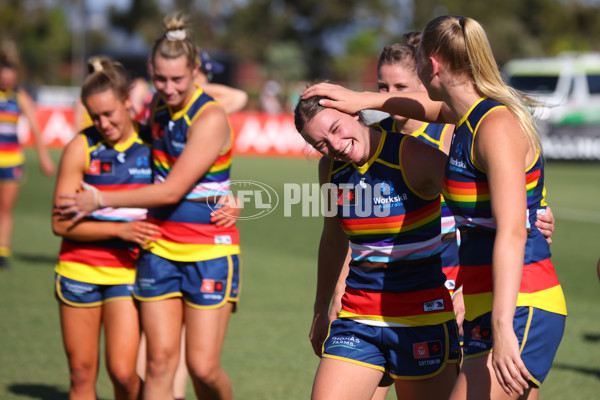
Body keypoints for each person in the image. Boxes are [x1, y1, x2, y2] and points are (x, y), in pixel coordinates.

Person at [302, 14, 567, 400]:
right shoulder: (466, 118)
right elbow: (426, 109)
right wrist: (362, 100)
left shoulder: (494, 125)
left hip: (519, 304)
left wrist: (503, 325)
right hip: (487, 305)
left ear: (433, 64)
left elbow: (511, 230)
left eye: (418, 56)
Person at [57, 13, 241, 400]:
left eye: (177, 79)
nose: (169, 88)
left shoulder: (208, 117)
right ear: (151, 74)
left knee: (203, 368)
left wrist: (98, 198)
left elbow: (171, 191)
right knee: (158, 364)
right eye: (160, 79)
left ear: (195, 72)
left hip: (209, 250)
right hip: (157, 248)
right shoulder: (155, 109)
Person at [295, 94, 461, 400]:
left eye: (335, 128)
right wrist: (320, 308)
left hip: (422, 318)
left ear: (354, 113)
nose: (334, 145)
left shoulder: (411, 154)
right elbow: (333, 239)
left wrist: (466, 287)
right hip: (357, 318)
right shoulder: (331, 170)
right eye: (320, 143)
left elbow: (478, 209)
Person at [52, 57, 158, 400]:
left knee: (124, 373)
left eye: (109, 113)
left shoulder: (152, 145)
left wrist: (224, 200)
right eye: (94, 116)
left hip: (127, 274)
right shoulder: (81, 147)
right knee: (81, 375)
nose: (103, 123)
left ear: (128, 102)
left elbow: (184, 187)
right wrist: (119, 231)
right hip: (78, 271)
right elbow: (60, 223)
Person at [0, 44, 55, 268]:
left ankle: (2, 250)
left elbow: (35, 127)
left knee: (6, 208)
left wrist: (44, 158)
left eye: (11, 78)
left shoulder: (19, 97)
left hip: (12, 160)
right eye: (4, 78)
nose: (8, 82)